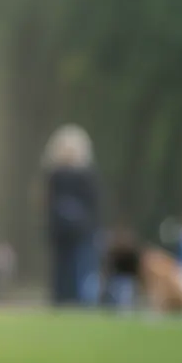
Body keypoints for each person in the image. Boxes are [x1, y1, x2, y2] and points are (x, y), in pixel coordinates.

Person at [41, 125, 102, 307]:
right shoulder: (55, 176)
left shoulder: (85, 175)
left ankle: (77, 302)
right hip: (63, 233)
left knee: (79, 270)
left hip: (81, 233)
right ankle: (63, 301)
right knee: (63, 271)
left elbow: (94, 205)